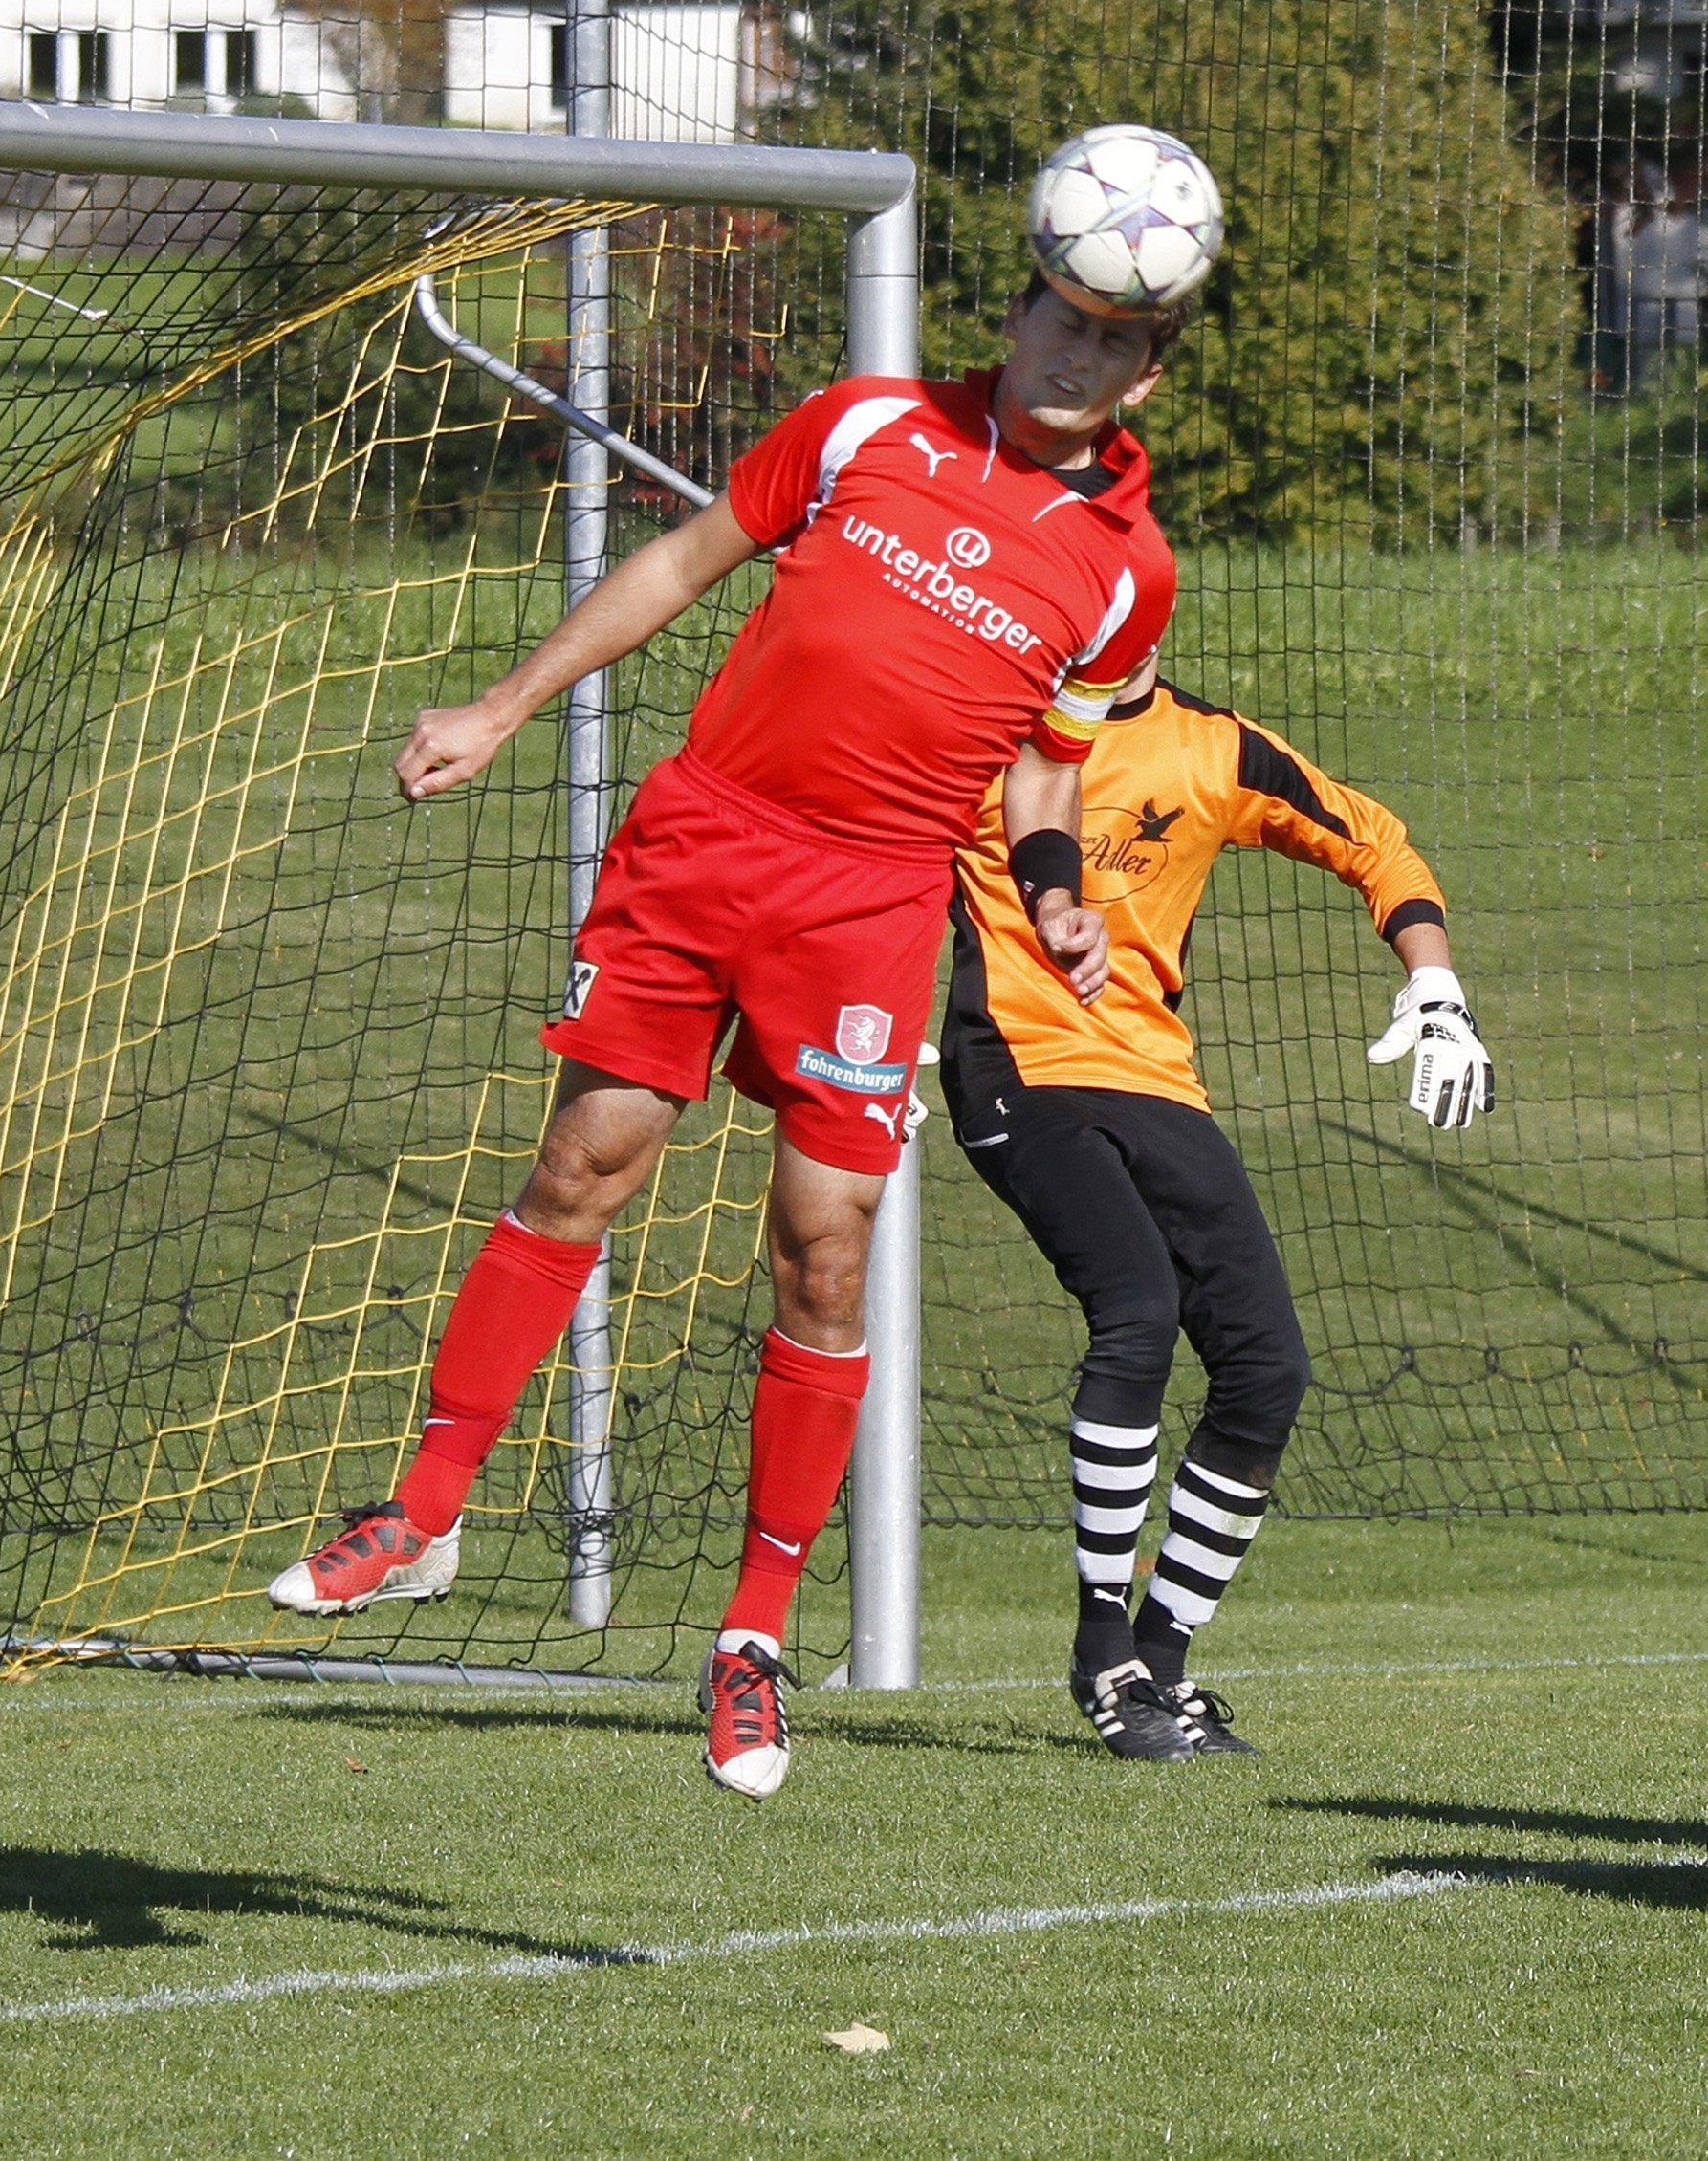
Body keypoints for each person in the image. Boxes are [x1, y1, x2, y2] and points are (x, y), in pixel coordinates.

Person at [265, 230, 1198, 1807]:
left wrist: (1053, 893)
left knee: (823, 1246)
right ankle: (423, 1513)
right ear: (1020, 308)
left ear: (1144, 376)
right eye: (1063, 317)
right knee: (586, 1159)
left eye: (1114, 341)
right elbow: (678, 562)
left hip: (870, 901)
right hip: (704, 838)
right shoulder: (865, 422)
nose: (1076, 354)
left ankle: (751, 1637)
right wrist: (500, 706)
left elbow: (1048, 764)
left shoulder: (1125, 569)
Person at [945, 664, 1490, 1760]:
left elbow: (1377, 842)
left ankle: (1161, 1660)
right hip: (1017, 1065)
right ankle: (1105, 1654)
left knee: (1267, 1365)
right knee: (1138, 1311)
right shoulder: (984, 729)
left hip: (1155, 1079)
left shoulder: (1217, 748)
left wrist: (1436, 987)